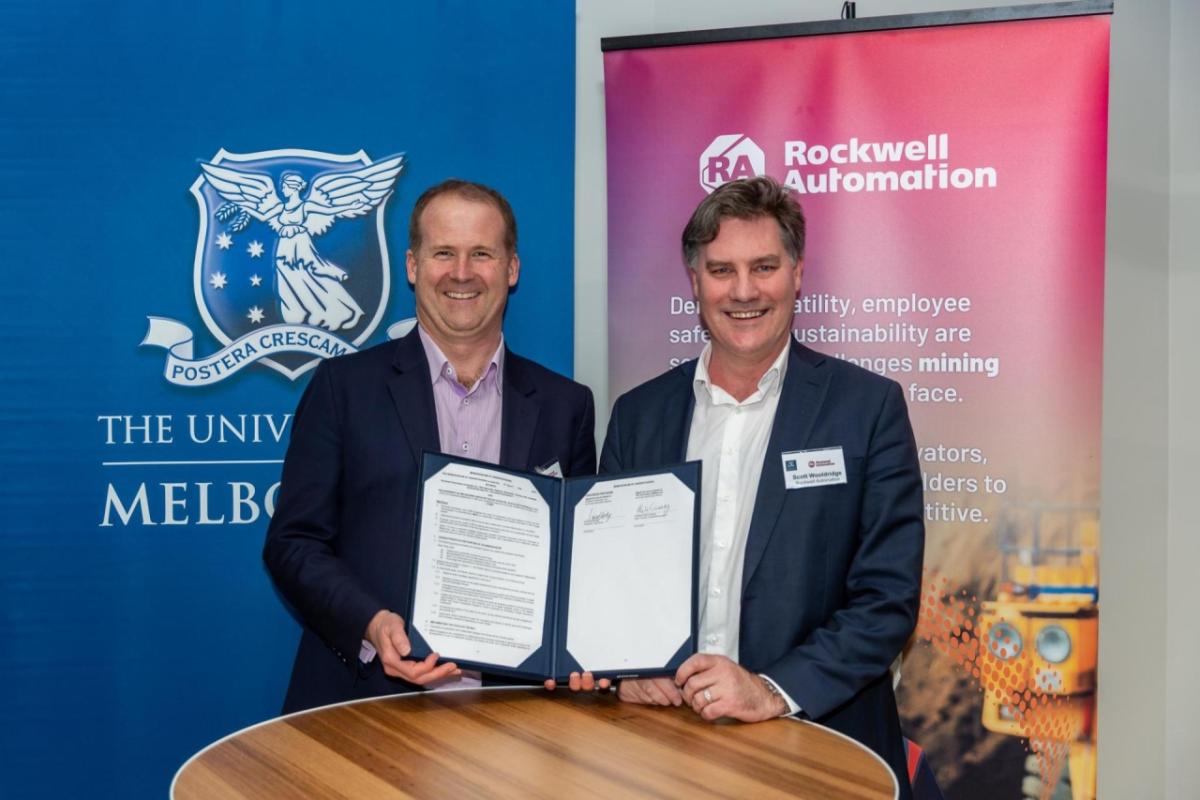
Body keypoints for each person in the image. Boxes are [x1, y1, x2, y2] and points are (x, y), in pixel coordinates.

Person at [600, 176, 923, 798]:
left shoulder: (867, 409)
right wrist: (625, 673)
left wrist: (770, 689)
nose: (743, 291)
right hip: (661, 745)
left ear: (797, 273)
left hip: (819, 745)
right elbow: (610, 579)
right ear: (694, 282)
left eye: (764, 267)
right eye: (721, 269)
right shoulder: (638, 416)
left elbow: (887, 599)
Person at [264, 179, 597, 712]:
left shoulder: (566, 405)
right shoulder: (342, 388)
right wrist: (372, 624)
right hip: (365, 705)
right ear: (413, 265)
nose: (461, 273)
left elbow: (582, 567)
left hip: (518, 714)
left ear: (511, 269)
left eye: (481, 254)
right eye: (444, 253)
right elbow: (293, 543)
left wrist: (591, 651)